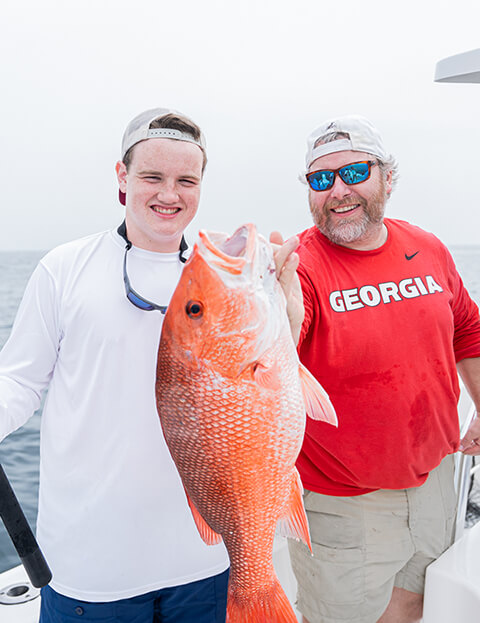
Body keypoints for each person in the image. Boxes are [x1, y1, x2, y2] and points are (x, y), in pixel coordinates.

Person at [0, 107, 301, 623]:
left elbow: (274, 384)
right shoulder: (65, 269)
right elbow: (19, 381)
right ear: (122, 176)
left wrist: (286, 295)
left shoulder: (216, 270)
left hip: (205, 558)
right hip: (90, 564)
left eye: (186, 179)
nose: (169, 194)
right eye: (152, 177)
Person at [288, 114, 480, 623]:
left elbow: (468, 329)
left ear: (386, 178)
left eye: (354, 172)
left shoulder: (428, 247)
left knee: (413, 608)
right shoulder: (301, 268)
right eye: (321, 179)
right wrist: (265, 288)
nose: (338, 190)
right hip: (343, 502)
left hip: (434, 479)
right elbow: (282, 339)